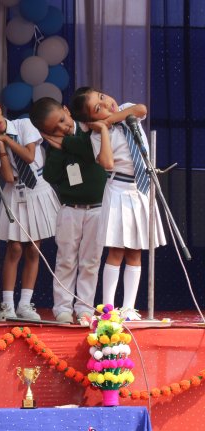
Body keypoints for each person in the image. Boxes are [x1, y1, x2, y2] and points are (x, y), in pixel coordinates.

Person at [70, 87, 166, 312]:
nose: (106, 104)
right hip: (119, 191)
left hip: (142, 188)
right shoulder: (97, 136)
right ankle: (108, 308)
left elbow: (141, 109)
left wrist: (109, 119)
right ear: (90, 121)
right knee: (116, 251)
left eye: (102, 97)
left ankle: (129, 308)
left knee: (135, 250)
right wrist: (104, 129)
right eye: (98, 109)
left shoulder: (126, 110)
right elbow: (107, 163)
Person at [0, 98, 60, 321]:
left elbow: (29, 156)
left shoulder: (24, 124)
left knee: (33, 249)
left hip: (37, 187)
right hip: (15, 190)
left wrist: (7, 141)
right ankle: (8, 304)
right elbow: (9, 178)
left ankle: (25, 304)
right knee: (15, 248)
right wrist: (1, 147)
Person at [31, 97, 108, 325]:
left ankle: (84, 308)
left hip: (97, 208)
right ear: (46, 133)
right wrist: (58, 150)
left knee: (90, 261)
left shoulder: (88, 130)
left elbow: (90, 151)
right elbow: (50, 175)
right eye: (55, 129)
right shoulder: (53, 146)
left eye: (63, 120)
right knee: (66, 259)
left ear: (67, 110)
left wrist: (64, 143)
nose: (62, 128)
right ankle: (62, 307)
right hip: (69, 209)